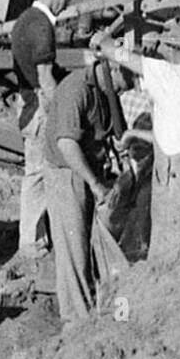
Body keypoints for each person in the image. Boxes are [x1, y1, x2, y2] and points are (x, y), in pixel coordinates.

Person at [95, 16, 180, 259]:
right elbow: (174, 136)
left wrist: (105, 42)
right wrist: (133, 134)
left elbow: (123, 57)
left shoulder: (169, 76)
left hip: (176, 186)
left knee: (170, 257)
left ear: (173, 49)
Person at [9, 0, 97, 268]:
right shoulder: (43, 26)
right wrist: (62, 113)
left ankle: (36, 237)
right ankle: (33, 243)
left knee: (35, 172)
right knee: (41, 173)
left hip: (26, 100)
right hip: (39, 107)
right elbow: (46, 79)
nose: (66, 5)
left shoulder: (24, 20)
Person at [43, 58, 119, 319]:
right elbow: (66, 144)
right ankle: (77, 322)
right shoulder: (75, 90)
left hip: (89, 168)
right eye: (127, 80)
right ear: (115, 70)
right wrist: (95, 184)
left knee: (90, 244)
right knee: (74, 250)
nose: (128, 87)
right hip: (67, 173)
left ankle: (98, 305)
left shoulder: (104, 89)